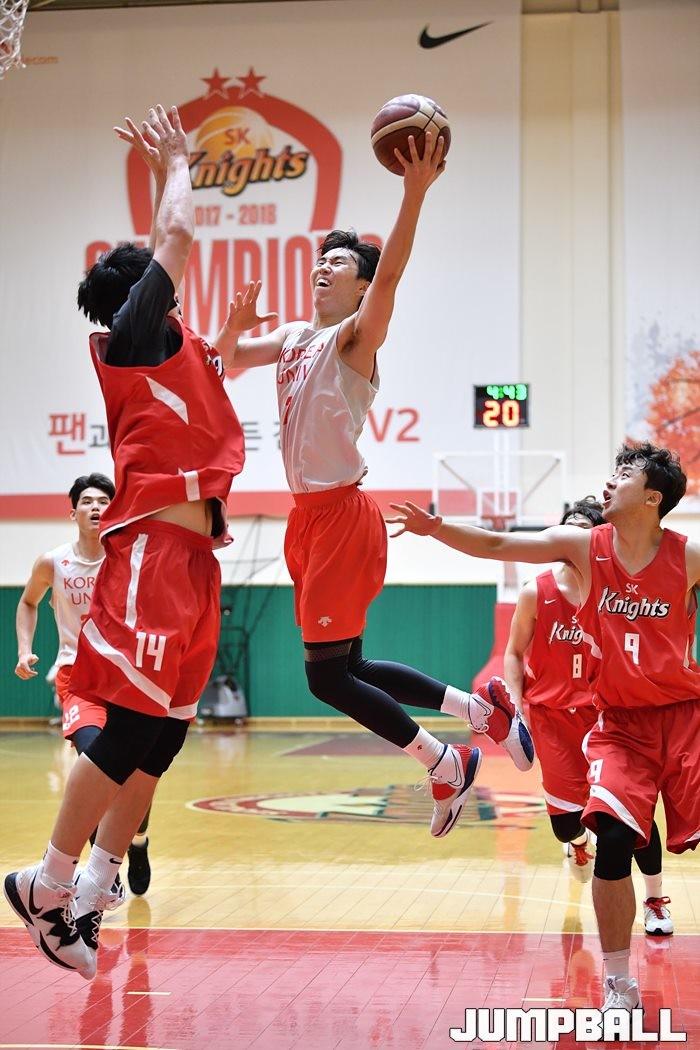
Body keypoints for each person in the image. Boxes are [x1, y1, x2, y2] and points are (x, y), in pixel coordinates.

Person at [213, 131, 534, 839]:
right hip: (308, 517)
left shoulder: (356, 336)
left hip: (341, 514)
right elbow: (224, 363)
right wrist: (232, 327)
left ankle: (443, 759)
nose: (323, 268)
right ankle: (479, 712)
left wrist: (413, 193)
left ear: (361, 285)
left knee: (324, 678)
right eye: (321, 260)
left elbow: (391, 276)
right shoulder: (293, 337)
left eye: (340, 263)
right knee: (349, 664)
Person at [4, 104, 245, 980]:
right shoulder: (136, 338)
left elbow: (160, 245)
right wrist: (178, 161)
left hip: (196, 564)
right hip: (150, 557)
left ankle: (95, 889)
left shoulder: (173, 340)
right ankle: (45, 882)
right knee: (132, 724)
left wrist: (154, 177)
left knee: (165, 737)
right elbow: (174, 234)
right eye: (159, 280)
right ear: (144, 296)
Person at [388, 442, 700, 1015]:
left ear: (653, 497)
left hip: (686, 719)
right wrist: (437, 528)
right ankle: (618, 981)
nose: (610, 481)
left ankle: (657, 902)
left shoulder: (689, 556)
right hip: (619, 725)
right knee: (612, 838)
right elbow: (497, 544)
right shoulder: (585, 547)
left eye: (625, 474)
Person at [504, 496, 672, 936]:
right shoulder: (535, 590)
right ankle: (578, 843)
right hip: (553, 719)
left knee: (630, 816)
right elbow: (514, 653)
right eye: (568, 528)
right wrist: (516, 706)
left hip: (608, 718)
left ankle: (655, 899)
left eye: (584, 530)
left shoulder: (615, 594)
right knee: (564, 825)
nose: (572, 537)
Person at [15, 472, 154, 898]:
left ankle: (138, 840)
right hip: (78, 677)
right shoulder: (53, 562)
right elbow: (28, 602)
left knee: (131, 776)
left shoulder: (130, 557)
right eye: (88, 501)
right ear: (73, 512)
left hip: (127, 676)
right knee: (95, 765)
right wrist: (24, 649)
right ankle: (101, 871)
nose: (96, 508)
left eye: (104, 502)